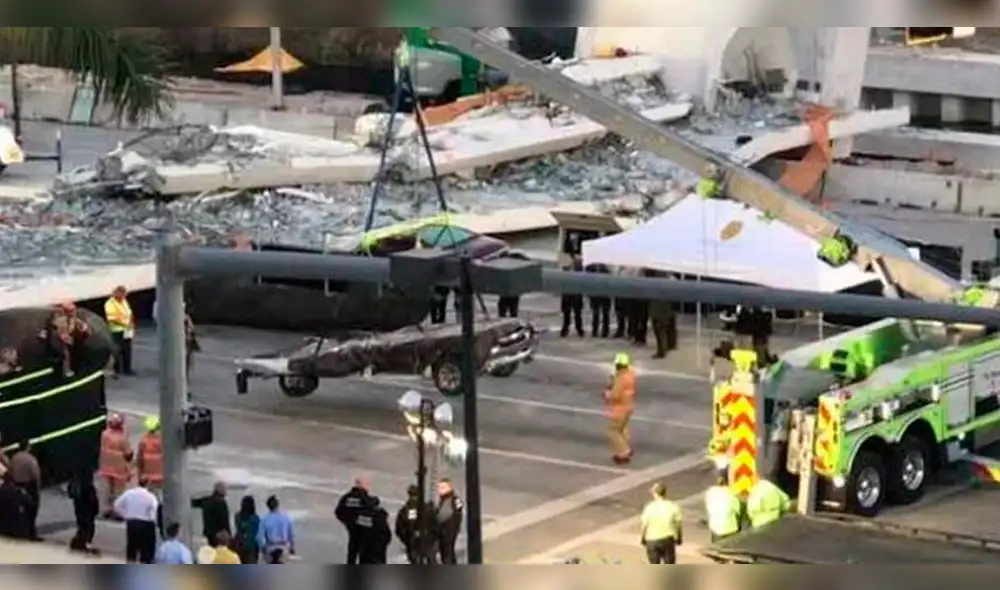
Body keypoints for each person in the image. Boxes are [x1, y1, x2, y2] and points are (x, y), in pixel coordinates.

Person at [115, 476, 160, 564]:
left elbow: (117, 505)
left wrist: (125, 515)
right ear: (148, 484)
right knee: (147, 550)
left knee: (132, 546)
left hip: (132, 523)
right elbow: (153, 511)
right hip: (146, 524)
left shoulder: (129, 493)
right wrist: (152, 520)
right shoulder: (151, 497)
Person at [604, 353, 637, 465]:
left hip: (619, 409)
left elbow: (615, 395)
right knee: (622, 429)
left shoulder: (620, 378)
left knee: (612, 431)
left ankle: (624, 451)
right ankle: (624, 450)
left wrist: (607, 393)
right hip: (629, 406)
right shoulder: (630, 374)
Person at [98, 412, 132, 519]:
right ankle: (118, 512)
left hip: (105, 467)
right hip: (119, 469)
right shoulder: (122, 437)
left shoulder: (104, 434)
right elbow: (128, 453)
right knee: (118, 492)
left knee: (106, 490)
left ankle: (105, 510)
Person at [640, 482, 682, 564]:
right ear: (665, 492)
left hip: (652, 540)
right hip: (667, 539)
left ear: (654, 493)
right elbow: (678, 525)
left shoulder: (649, 507)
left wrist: (642, 538)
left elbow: (644, 526)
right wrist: (679, 537)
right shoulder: (673, 506)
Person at [9, 439, 41, 540]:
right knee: (32, 510)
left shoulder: (14, 458)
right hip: (29, 485)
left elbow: (10, 471)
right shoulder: (31, 459)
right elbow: (36, 475)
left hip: (17, 485)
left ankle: (21, 530)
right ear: (28, 447)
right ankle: (31, 532)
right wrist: (38, 488)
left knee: (19, 510)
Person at [48, 302, 90, 376]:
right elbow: (58, 333)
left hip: (69, 340)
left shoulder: (74, 320)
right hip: (59, 341)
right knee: (66, 353)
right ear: (65, 312)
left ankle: (78, 366)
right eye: (71, 311)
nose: (73, 312)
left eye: (73, 310)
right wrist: (66, 338)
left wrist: (84, 328)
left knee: (77, 349)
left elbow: (82, 326)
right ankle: (66, 371)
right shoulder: (60, 321)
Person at [335, 477, 371, 564]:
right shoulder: (365, 498)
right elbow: (371, 511)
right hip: (363, 528)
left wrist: (347, 521)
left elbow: (338, 511)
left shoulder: (346, 497)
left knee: (352, 549)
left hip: (351, 527)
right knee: (364, 551)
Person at [395, 484, 432, 564]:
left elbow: (399, 529)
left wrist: (407, 541)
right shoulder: (427, 507)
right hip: (427, 543)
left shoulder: (406, 510)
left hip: (413, 543)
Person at [104, 285, 135, 376]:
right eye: (123, 294)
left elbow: (129, 312)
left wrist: (131, 322)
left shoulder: (124, 301)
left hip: (127, 330)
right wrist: (124, 324)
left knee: (127, 349)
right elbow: (112, 319)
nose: (124, 297)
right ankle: (116, 369)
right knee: (117, 349)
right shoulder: (110, 303)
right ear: (117, 293)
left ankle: (127, 369)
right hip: (116, 330)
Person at [68, 468, 100, 554]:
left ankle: (82, 541)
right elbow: (93, 502)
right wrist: (95, 510)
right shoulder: (88, 488)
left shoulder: (75, 482)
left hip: (80, 507)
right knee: (87, 525)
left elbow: (71, 494)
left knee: (82, 524)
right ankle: (85, 541)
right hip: (86, 509)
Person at [704, 473, 742, 542]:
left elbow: (708, 507)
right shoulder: (731, 493)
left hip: (715, 527)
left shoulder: (710, 492)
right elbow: (738, 510)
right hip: (729, 529)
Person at [257, 495, 295, 564]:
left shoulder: (265, 519)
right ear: (277, 504)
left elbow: (260, 537)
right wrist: (292, 547)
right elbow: (291, 534)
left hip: (270, 548)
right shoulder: (286, 517)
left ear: (268, 507)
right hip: (283, 547)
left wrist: (263, 548)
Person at [433, 478, 463, 564]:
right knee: (450, 552)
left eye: (442, 487)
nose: (439, 489)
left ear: (449, 488)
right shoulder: (455, 499)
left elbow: (442, 516)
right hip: (453, 530)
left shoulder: (448, 500)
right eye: (439, 487)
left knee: (446, 554)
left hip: (446, 531)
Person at [193, 481, 231, 547]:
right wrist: (229, 534)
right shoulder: (222, 504)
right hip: (219, 536)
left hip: (209, 533)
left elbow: (193, 503)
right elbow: (225, 521)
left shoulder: (206, 500)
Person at [358, 496, 392, 564]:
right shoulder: (379, 516)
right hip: (377, 548)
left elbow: (356, 530)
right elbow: (386, 534)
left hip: (364, 548)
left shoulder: (361, 516)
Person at [136, 416, 163, 494]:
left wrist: (140, 476)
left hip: (147, 477)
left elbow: (139, 460)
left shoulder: (143, 440)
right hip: (161, 476)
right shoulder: (162, 440)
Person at [560, 256, 585, 338]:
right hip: (567, 293)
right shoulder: (565, 267)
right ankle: (565, 328)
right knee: (566, 313)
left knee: (577, 313)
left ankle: (579, 329)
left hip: (575, 294)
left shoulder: (579, 268)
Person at [0, 471, 29, 539]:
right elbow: (27, 500)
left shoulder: (1, 490)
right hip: (15, 521)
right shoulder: (17, 490)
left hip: (3, 522)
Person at [585, 264, 611, 338]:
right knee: (595, 313)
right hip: (594, 294)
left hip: (604, 295)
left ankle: (605, 331)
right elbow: (587, 281)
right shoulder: (589, 268)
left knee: (605, 314)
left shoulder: (606, 269)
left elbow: (609, 281)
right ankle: (595, 330)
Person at [234, 495, 261, 565]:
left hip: (239, 546)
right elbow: (256, 534)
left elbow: (238, 529)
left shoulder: (237, 516)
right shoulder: (256, 519)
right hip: (251, 547)